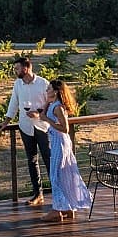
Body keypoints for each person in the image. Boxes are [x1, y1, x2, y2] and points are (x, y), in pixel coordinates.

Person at [39, 79, 92, 222]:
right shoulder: (52, 104)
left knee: (55, 175)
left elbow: (65, 128)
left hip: (60, 143)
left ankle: (57, 210)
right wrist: (47, 103)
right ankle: (68, 208)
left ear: (55, 91)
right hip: (56, 142)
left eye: (49, 89)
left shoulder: (58, 108)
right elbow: (42, 115)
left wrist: (48, 120)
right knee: (62, 174)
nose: (46, 91)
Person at [5, 56, 50, 206]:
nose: (15, 71)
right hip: (25, 127)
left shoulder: (43, 83)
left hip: (42, 126)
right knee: (32, 161)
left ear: (26, 68)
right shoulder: (18, 84)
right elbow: (14, 103)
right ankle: (38, 194)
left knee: (49, 160)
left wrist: (39, 114)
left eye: (17, 68)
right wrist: (6, 121)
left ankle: (58, 193)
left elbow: (50, 103)